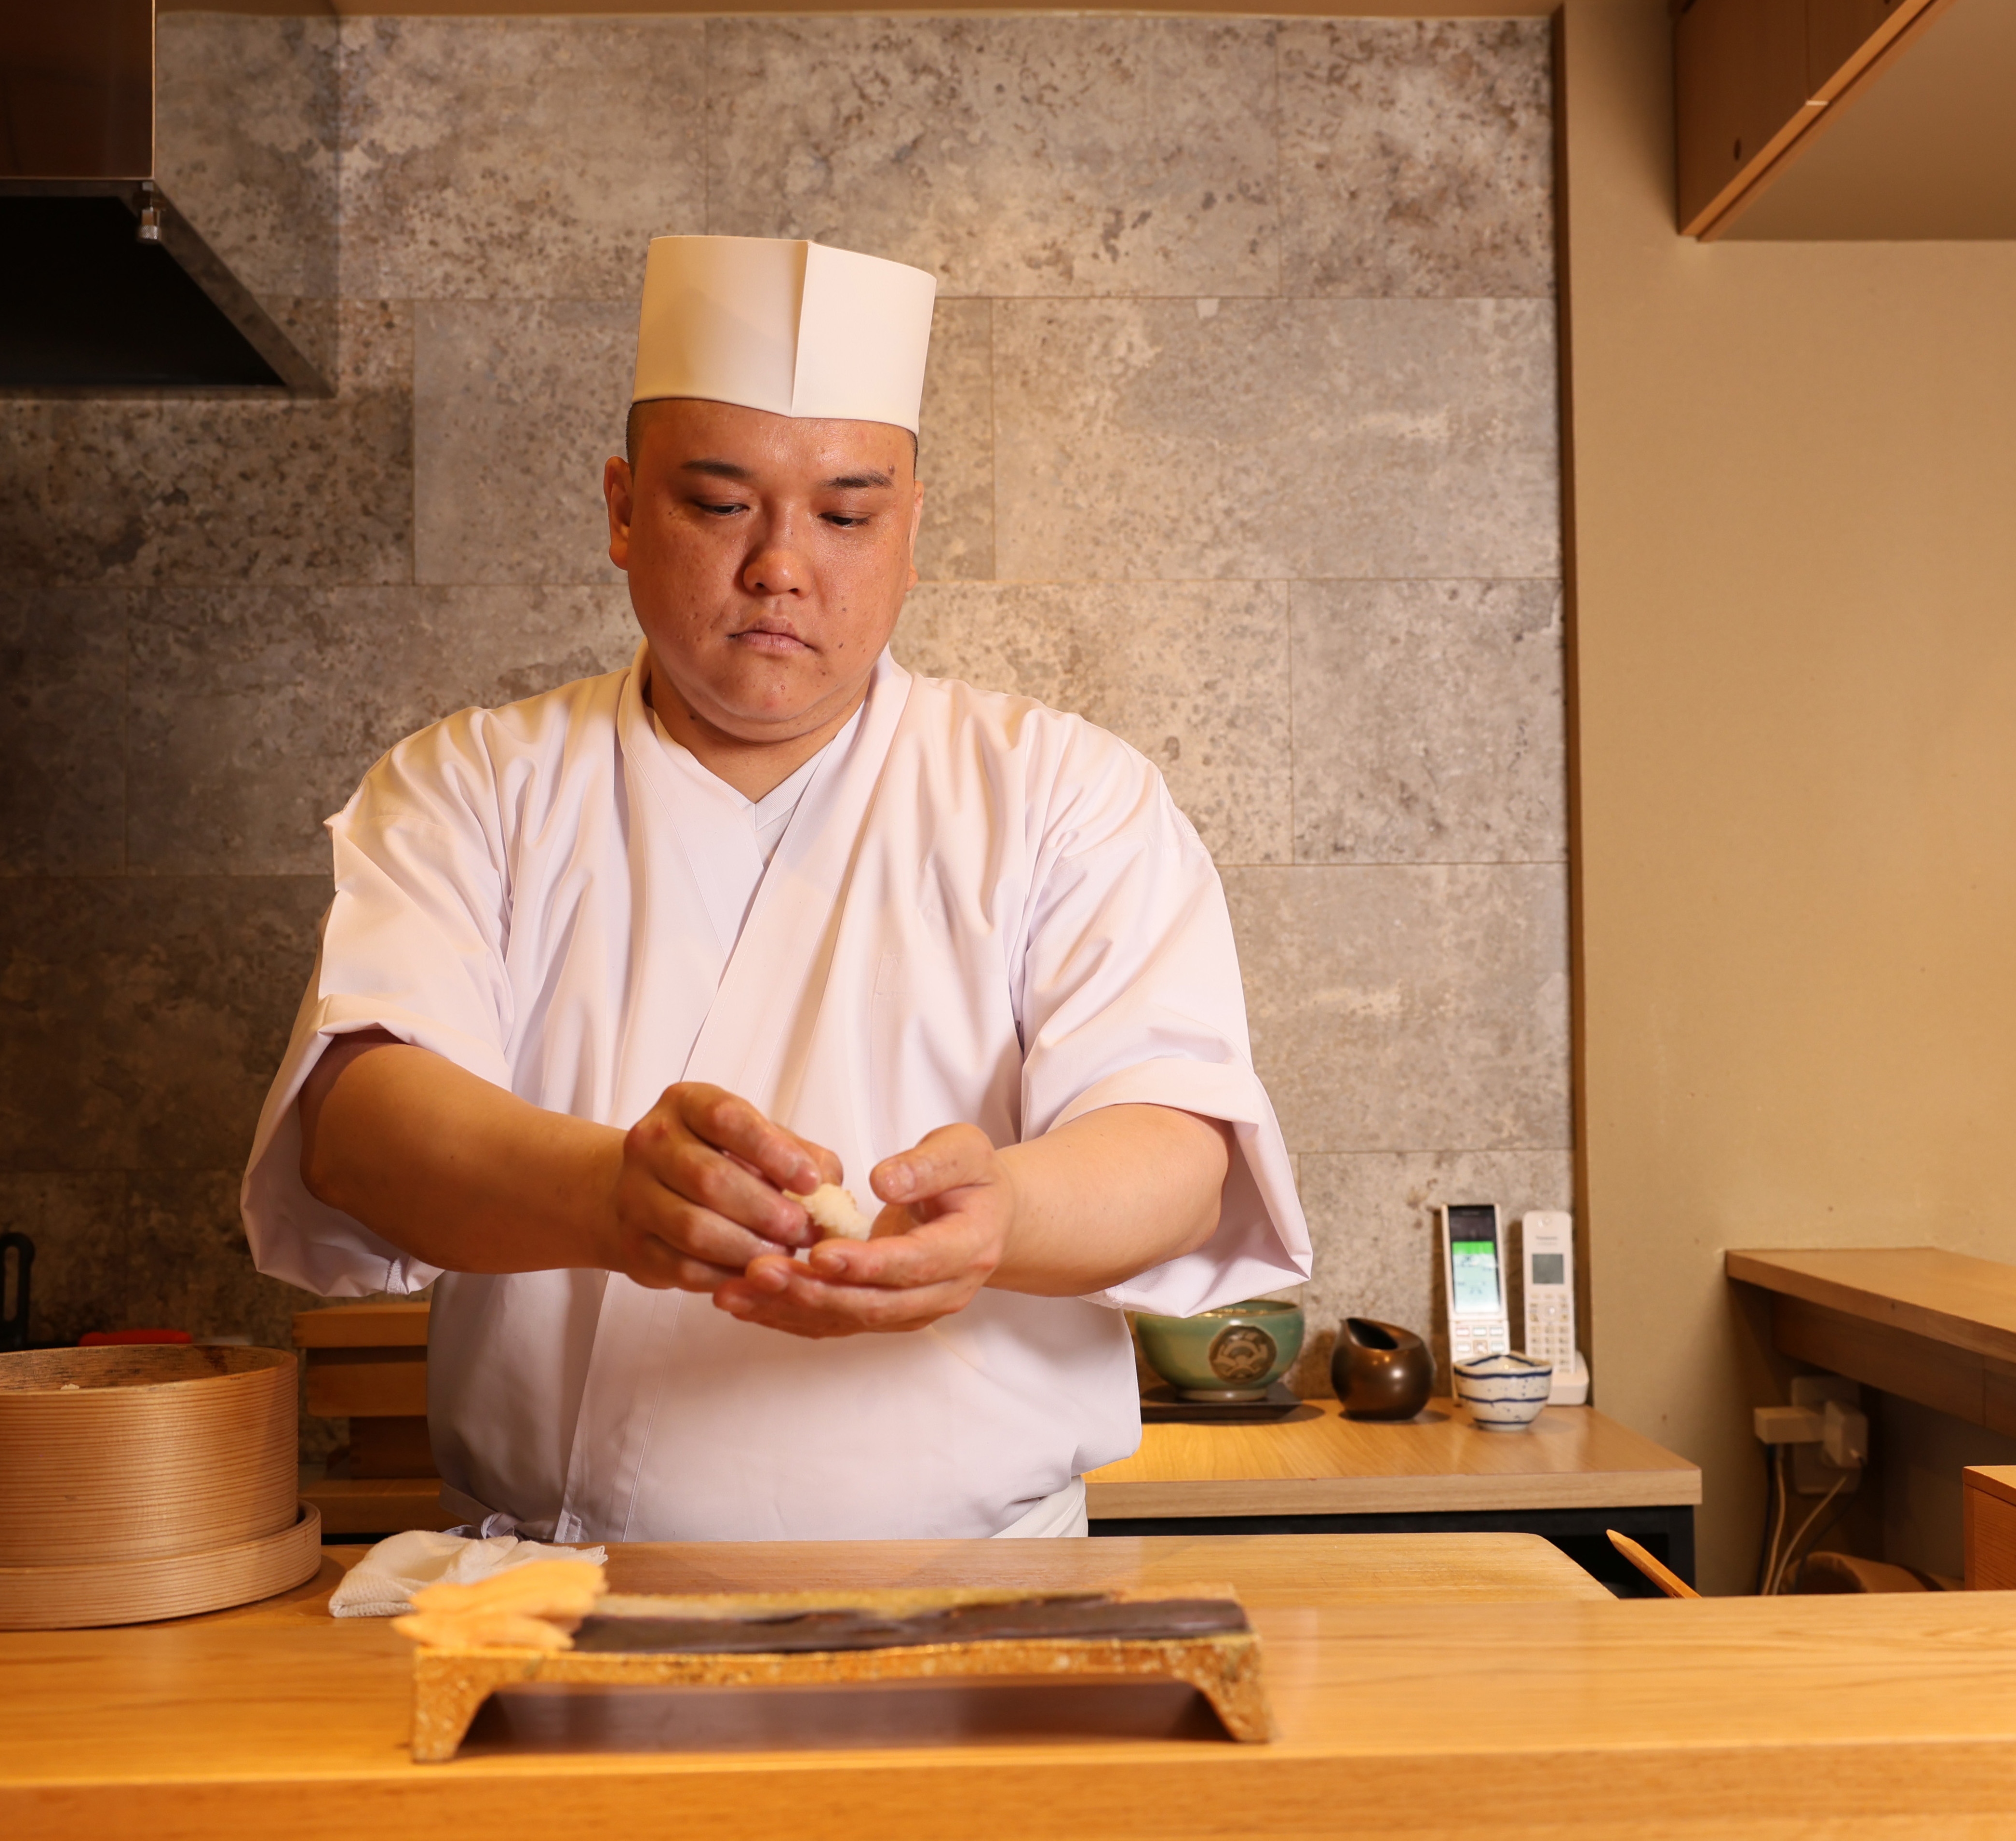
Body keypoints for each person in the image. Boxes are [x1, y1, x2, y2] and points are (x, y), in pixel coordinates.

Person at [242, 235, 1308, 1542]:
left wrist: (1001, 1217)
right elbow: (361, 1126)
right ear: (624, 509)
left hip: (978, 1598)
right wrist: (609, 1196)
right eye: (717, 504)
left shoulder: (1061, 792)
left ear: (912, 530)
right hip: (550, 1597)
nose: (781, 567)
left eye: (846, 514)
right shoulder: (472, 781)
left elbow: (1176, 1146)